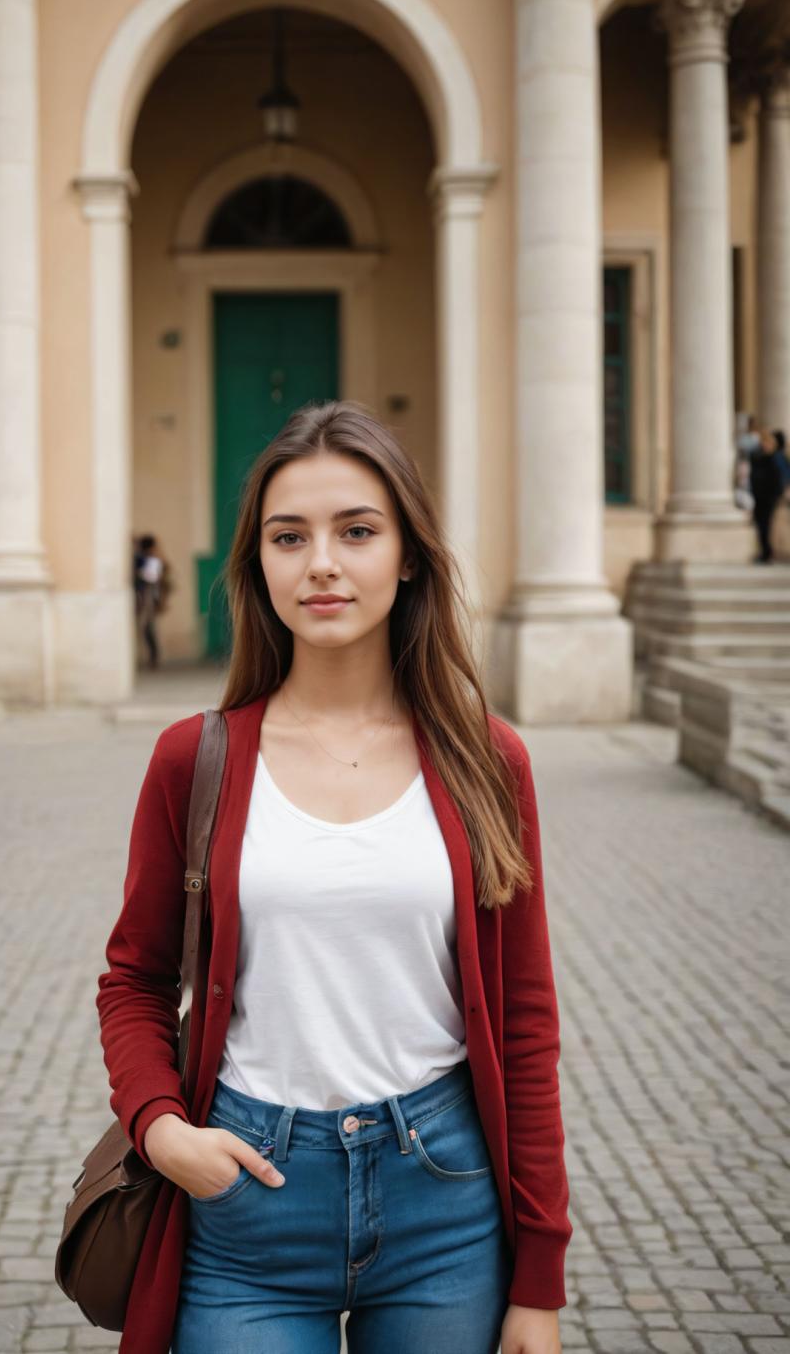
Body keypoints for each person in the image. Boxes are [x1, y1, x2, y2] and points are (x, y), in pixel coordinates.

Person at [97, 400, 571, 1354]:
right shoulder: (195, 760)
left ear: (407, 556)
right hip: (247, 1204)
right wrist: (160, 1131)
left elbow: (523, 1023)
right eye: (288, 536)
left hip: (444, 1201)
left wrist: (541, 1283)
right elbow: (136, 980)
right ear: (258, 564)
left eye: (356, 531)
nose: (321, 561)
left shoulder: (489, 761)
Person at [749, 429, 785, 564]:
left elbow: (780, 477)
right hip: (759, 496)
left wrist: (778, 493)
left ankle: (767, 552)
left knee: (767, 524)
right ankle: (765, 552)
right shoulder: (757, 456)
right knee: (761, 524)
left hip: (770, 496)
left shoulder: (776, 458)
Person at [135, 533, 165, 668]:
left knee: (148, 628)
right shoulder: (146, 559)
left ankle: (154, 658)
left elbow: (151, 577)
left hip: (148, 597)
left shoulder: (151, 560)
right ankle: (152, 657)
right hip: (145, 597)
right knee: (147, 628)